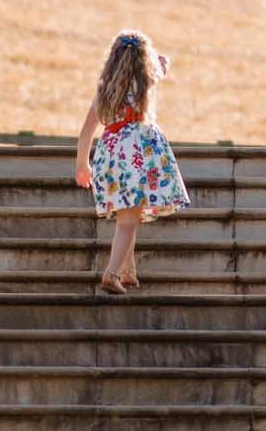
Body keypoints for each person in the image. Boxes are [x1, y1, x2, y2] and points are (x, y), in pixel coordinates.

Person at [73, 30, 191, 294]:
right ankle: (111, 273)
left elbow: (85, 133)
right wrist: (157, 61)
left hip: (109, 155)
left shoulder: (104, 91)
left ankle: (128, 271)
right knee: (128, 220)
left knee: (128, 215)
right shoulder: (145, 82)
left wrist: (82, 164)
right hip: (135, 157)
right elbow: (163, 65)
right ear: (142, 61)